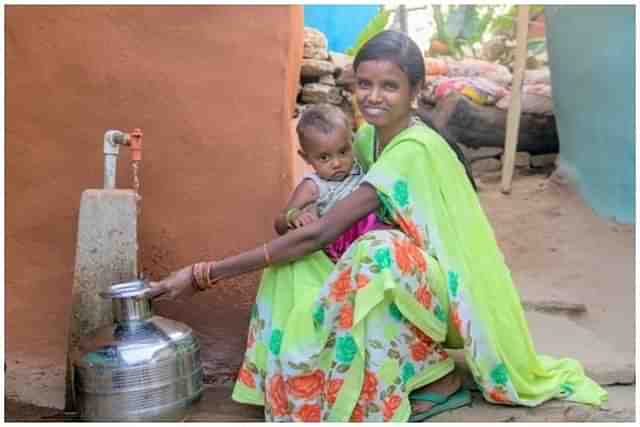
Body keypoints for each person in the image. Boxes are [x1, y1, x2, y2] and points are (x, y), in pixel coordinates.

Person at [150, 30, 607, 422]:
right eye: (364, 84)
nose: (373, 96)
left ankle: (436, 376)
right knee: (294, 264)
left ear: (416, 90)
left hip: (440, 293)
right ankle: (300, 380)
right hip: (398, 279)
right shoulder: (366, 138)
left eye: (389, 86)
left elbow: (324, 232)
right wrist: (293, 215)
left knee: (375, 251)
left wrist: (202, 273)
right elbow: (311, 224)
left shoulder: (412, 150)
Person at [275, 103, 391, 262]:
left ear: (352, 142)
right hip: (341, 248)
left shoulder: (360, 165)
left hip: (374, 236)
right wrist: (294, 216)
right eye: (324, 157)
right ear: (306, 157)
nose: (337, 163)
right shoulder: (313, 186)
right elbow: (279, 223)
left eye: (343, 152)